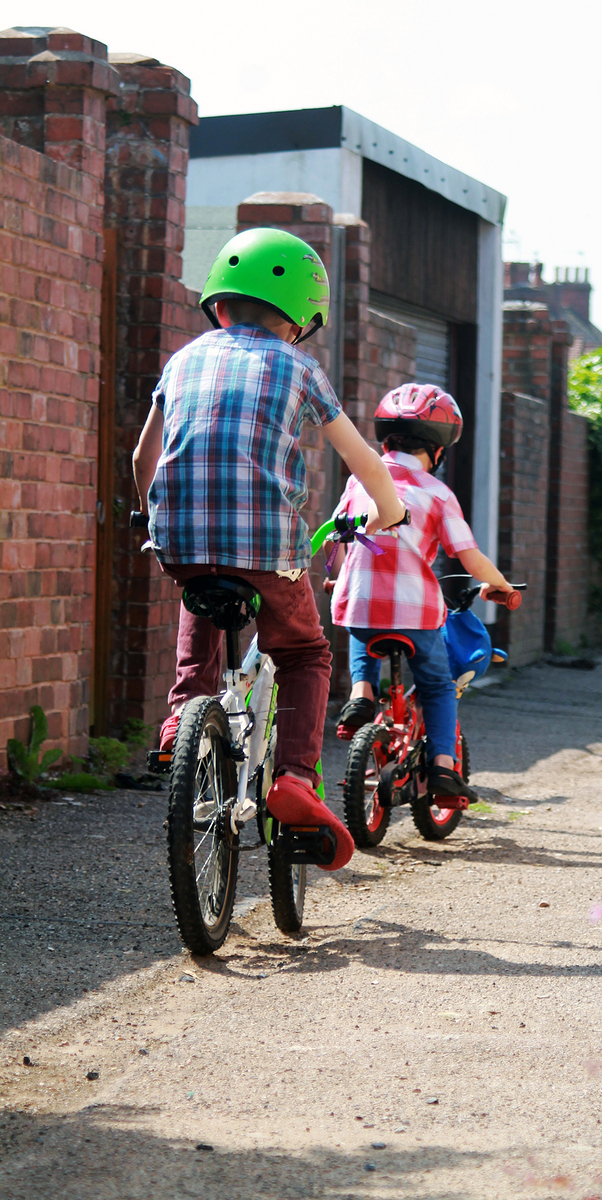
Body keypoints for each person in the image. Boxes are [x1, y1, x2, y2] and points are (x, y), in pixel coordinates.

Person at [131, 227, 406, 870]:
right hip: (268, 547)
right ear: (302, 322)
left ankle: (180, 721)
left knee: (200, 589)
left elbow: (142, 454)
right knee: (306, 652)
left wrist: (148, 512)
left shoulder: (182, 360)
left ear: (218, 306)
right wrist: (390, 512)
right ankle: (294, 780)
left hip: (181, 538)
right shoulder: (300, 368)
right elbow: (363, 460)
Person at [328, 383, 514, 798]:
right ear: (438, 451)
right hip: (415, 613)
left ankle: (362, 693)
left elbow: (338, 540)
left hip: (358, 601)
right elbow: (469, 557)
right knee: (437, 686)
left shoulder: (360, 482)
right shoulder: (437, 493)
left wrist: (338, 577)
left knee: (364, 626)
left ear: (388, 441)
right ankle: (444, 770)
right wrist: (498, 584)